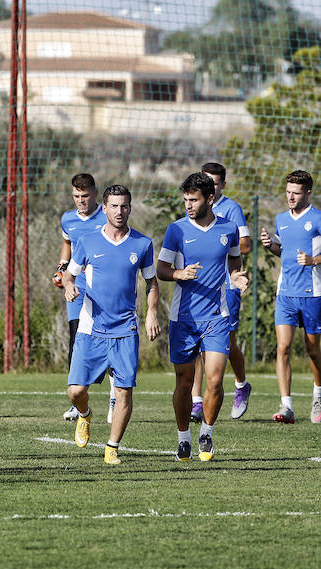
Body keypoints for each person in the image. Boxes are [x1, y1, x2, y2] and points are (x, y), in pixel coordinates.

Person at [63, 185, 160, 464]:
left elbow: (151, 282)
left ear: (130, 208)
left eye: (124, 206)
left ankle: (112, 448)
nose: (119, 211)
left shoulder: (141, 244)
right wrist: (69, 287)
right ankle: (84, 415)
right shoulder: (88, 241)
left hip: (125, 329)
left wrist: (152, 313)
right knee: (75, 391)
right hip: (91, 328)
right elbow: (69, 275)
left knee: (124, 390)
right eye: (114, 206)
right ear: (104, 208)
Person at [157, 173, 247, 462]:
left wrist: (237, 278)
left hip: (217, 316)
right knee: (184, 382)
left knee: (215, 381)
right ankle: (183, 438)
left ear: (209, 199)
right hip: (184, 318)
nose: (188, 205)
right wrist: (178, 274)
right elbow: (161, 269)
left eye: (193, 200)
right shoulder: (176, 230)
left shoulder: (229, 228)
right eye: (185, 200)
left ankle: (206, 433)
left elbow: (234, 259)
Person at [189, 162, 253, 422]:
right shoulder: (192, 210)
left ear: (222, 185)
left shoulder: (231, 209)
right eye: (206, 181)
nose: (210, 186)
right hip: (198, 288)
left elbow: (245, 245)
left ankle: (241, 384)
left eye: (214, 182)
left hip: (226, 286)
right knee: (195, 343)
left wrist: (221, 248)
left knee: (228, 341)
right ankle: (196, 401)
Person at [259, 170, 321, 424]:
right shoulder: (281, 219)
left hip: (313, 294)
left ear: (308, 192)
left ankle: (318, 396)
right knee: (282, 348)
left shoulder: (317, 218)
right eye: (288, 192)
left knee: (313, 350)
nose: (290, 197)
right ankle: (286, 407)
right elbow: (282, 251)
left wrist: (314, 260)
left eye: (295, 193)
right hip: (285, 294)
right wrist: (270, 245)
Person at [54, 174, 114, 423]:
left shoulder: (107, 216)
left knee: (112, 340)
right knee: (77, 342)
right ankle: (78, 403)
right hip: (77, 290)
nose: (80, 201)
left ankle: (115, 397)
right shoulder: (68, 219)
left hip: (104, 291)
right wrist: (61, 267)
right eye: (76, 196)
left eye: (85, 196)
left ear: (95, 193)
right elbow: (67, 243)